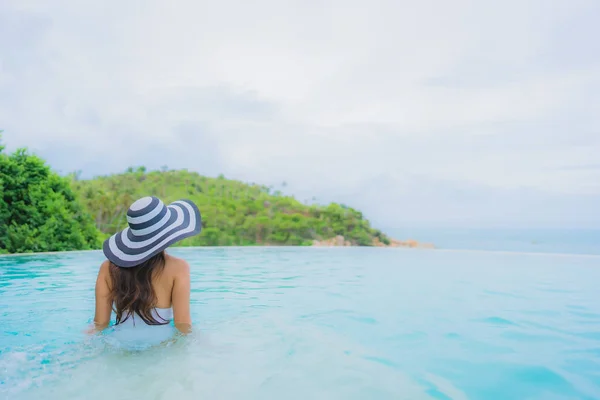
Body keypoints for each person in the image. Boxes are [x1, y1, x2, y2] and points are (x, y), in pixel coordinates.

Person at [89, 196, 202, 336]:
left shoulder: (107, 268)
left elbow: (100, 324)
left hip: (121, 346)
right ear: (168, 231)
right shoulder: (179, 268)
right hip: (161, 347)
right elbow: (183, 324)